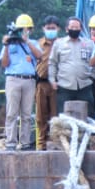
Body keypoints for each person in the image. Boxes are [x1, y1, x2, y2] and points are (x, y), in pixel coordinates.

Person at [0, 14, 42, 151]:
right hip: (13, 78)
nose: (24, 31)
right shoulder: (10, 44)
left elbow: (40, 56)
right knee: (11, 112)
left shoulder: (33, 43)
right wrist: (6, 45)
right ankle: (11, 141)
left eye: (26, 29)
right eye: (21, 29)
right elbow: (4, 63)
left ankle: (25, 142)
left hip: (29, 80)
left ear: (30, 30)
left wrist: (27, 41)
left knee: (26, 113)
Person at [49, 16, 95, 119]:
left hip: (84, 85)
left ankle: (91, 135)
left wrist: (92, 76)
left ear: (81, 29)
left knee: (89, 116)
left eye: (77, 27)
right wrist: (52, 80)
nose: (74, 29)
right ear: (67, 29)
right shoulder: (59, 44)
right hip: (65, 86)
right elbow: (52, 63)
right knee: (64, 118)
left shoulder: (88, 44)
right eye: (72, 27)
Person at [34, 16, 60, 150]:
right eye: (48, 28)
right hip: (41, 84)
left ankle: (55, 143)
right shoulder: (37, 44)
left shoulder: (62, 44)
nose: (50, 30)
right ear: (43, 29)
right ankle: (40, 145)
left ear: (58, 29)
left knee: (55, 116)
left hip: (57, 85)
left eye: (53, 28)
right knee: (40, 116)